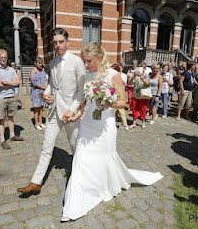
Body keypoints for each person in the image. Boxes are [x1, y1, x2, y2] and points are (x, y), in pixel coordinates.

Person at [60, 42, 163, 222]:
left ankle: (101, 186)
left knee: (103, 159)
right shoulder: (87, 75)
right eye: (84, 61)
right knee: (80, 160)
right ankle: (74, 203)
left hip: (104, 126)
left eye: (89, 61)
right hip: (88, 125)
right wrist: (75, 115)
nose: (86, 65)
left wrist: (109, 104)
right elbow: (84, 101)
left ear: (99, 58)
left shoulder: (114, 76)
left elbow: (124, 102)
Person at [17, 28, 86, 195]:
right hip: (54, 112)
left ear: (67, 42)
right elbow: (52, 86)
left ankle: (81, 180)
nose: (57, 45)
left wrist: (71, 110)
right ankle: (36, 182)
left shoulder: (77, 62)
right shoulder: (52, 63)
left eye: (61, 42)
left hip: (70, 114)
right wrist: (47, 94)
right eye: (55, 42)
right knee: (46, 147)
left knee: (76, 148)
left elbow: (81, 91)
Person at [0, 49, 24, 150]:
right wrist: (11, 83)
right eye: (2, 57)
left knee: (11, 117)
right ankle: (2, 140)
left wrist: (7, 82)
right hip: (1, 98)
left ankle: (12, 135)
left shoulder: (11, 70)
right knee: (1, 119)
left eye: (5, 57)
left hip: (11, 96)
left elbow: (18, 82)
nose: (3, 59)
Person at [30, 56, 48, 130]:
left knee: (41, 108)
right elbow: (35, 83)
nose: (41, 65)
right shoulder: (33, 71)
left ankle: (41, 122)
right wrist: (44, 88)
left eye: (41, 63)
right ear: (35, 63)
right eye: (39, 63)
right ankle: (36, 123)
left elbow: (46, 79)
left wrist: (46, 87)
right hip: (36, 92)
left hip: (42, 92)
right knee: (36, 108)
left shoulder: (43, 70)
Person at [116, 63, 129, 131]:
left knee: (121, 109)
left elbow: (125, 83)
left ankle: (125, 125)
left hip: (120, 93)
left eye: (120, 68)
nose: (119, 69)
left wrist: (119, 78)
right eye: (118, 68)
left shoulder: (124, 75)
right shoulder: (114, 74)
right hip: (114, 93)